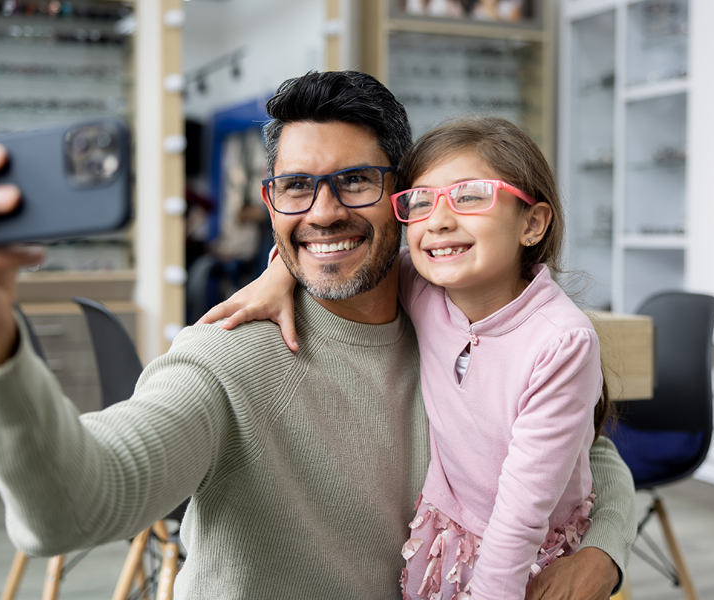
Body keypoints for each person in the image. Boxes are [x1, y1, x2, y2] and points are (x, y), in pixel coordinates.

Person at [0, 70, 635, 599]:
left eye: (355, 182)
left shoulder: (449, 311)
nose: (321, 212)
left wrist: (604, 549)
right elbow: (70, 510)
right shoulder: (228, 358)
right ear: (271, 199)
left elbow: (587, 449)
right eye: (295, 187)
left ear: (399, 202)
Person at [202, 116, 610, 599]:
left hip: (524, 556)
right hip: (447, 539)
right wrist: (278, 274)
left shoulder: (561, 342)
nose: (438, 220)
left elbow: (522, 513)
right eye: (420, 202)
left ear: (533, 223)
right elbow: (336, 253)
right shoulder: (425, 285)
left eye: (470, 195)